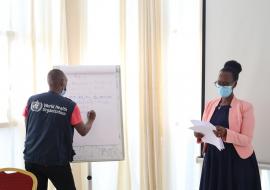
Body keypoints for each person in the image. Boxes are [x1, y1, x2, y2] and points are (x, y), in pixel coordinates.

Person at [23, 69, 96, 190]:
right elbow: (83, 131)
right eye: (66, 83)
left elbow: (28, 126)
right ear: (62, 82)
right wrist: (91, 120)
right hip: (56, 161)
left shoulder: (32, 100)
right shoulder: (70, 106)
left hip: (32, 158)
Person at [194, 60, 261, 190]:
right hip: (213, 161)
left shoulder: (245, 107)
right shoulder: (210, 104)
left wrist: (226, 133)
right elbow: (206, 129)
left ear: (234, 84)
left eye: (226, 84)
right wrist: (200, 134)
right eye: (219, 83)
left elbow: (247, 139)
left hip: (236, 162)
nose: (221, 86)